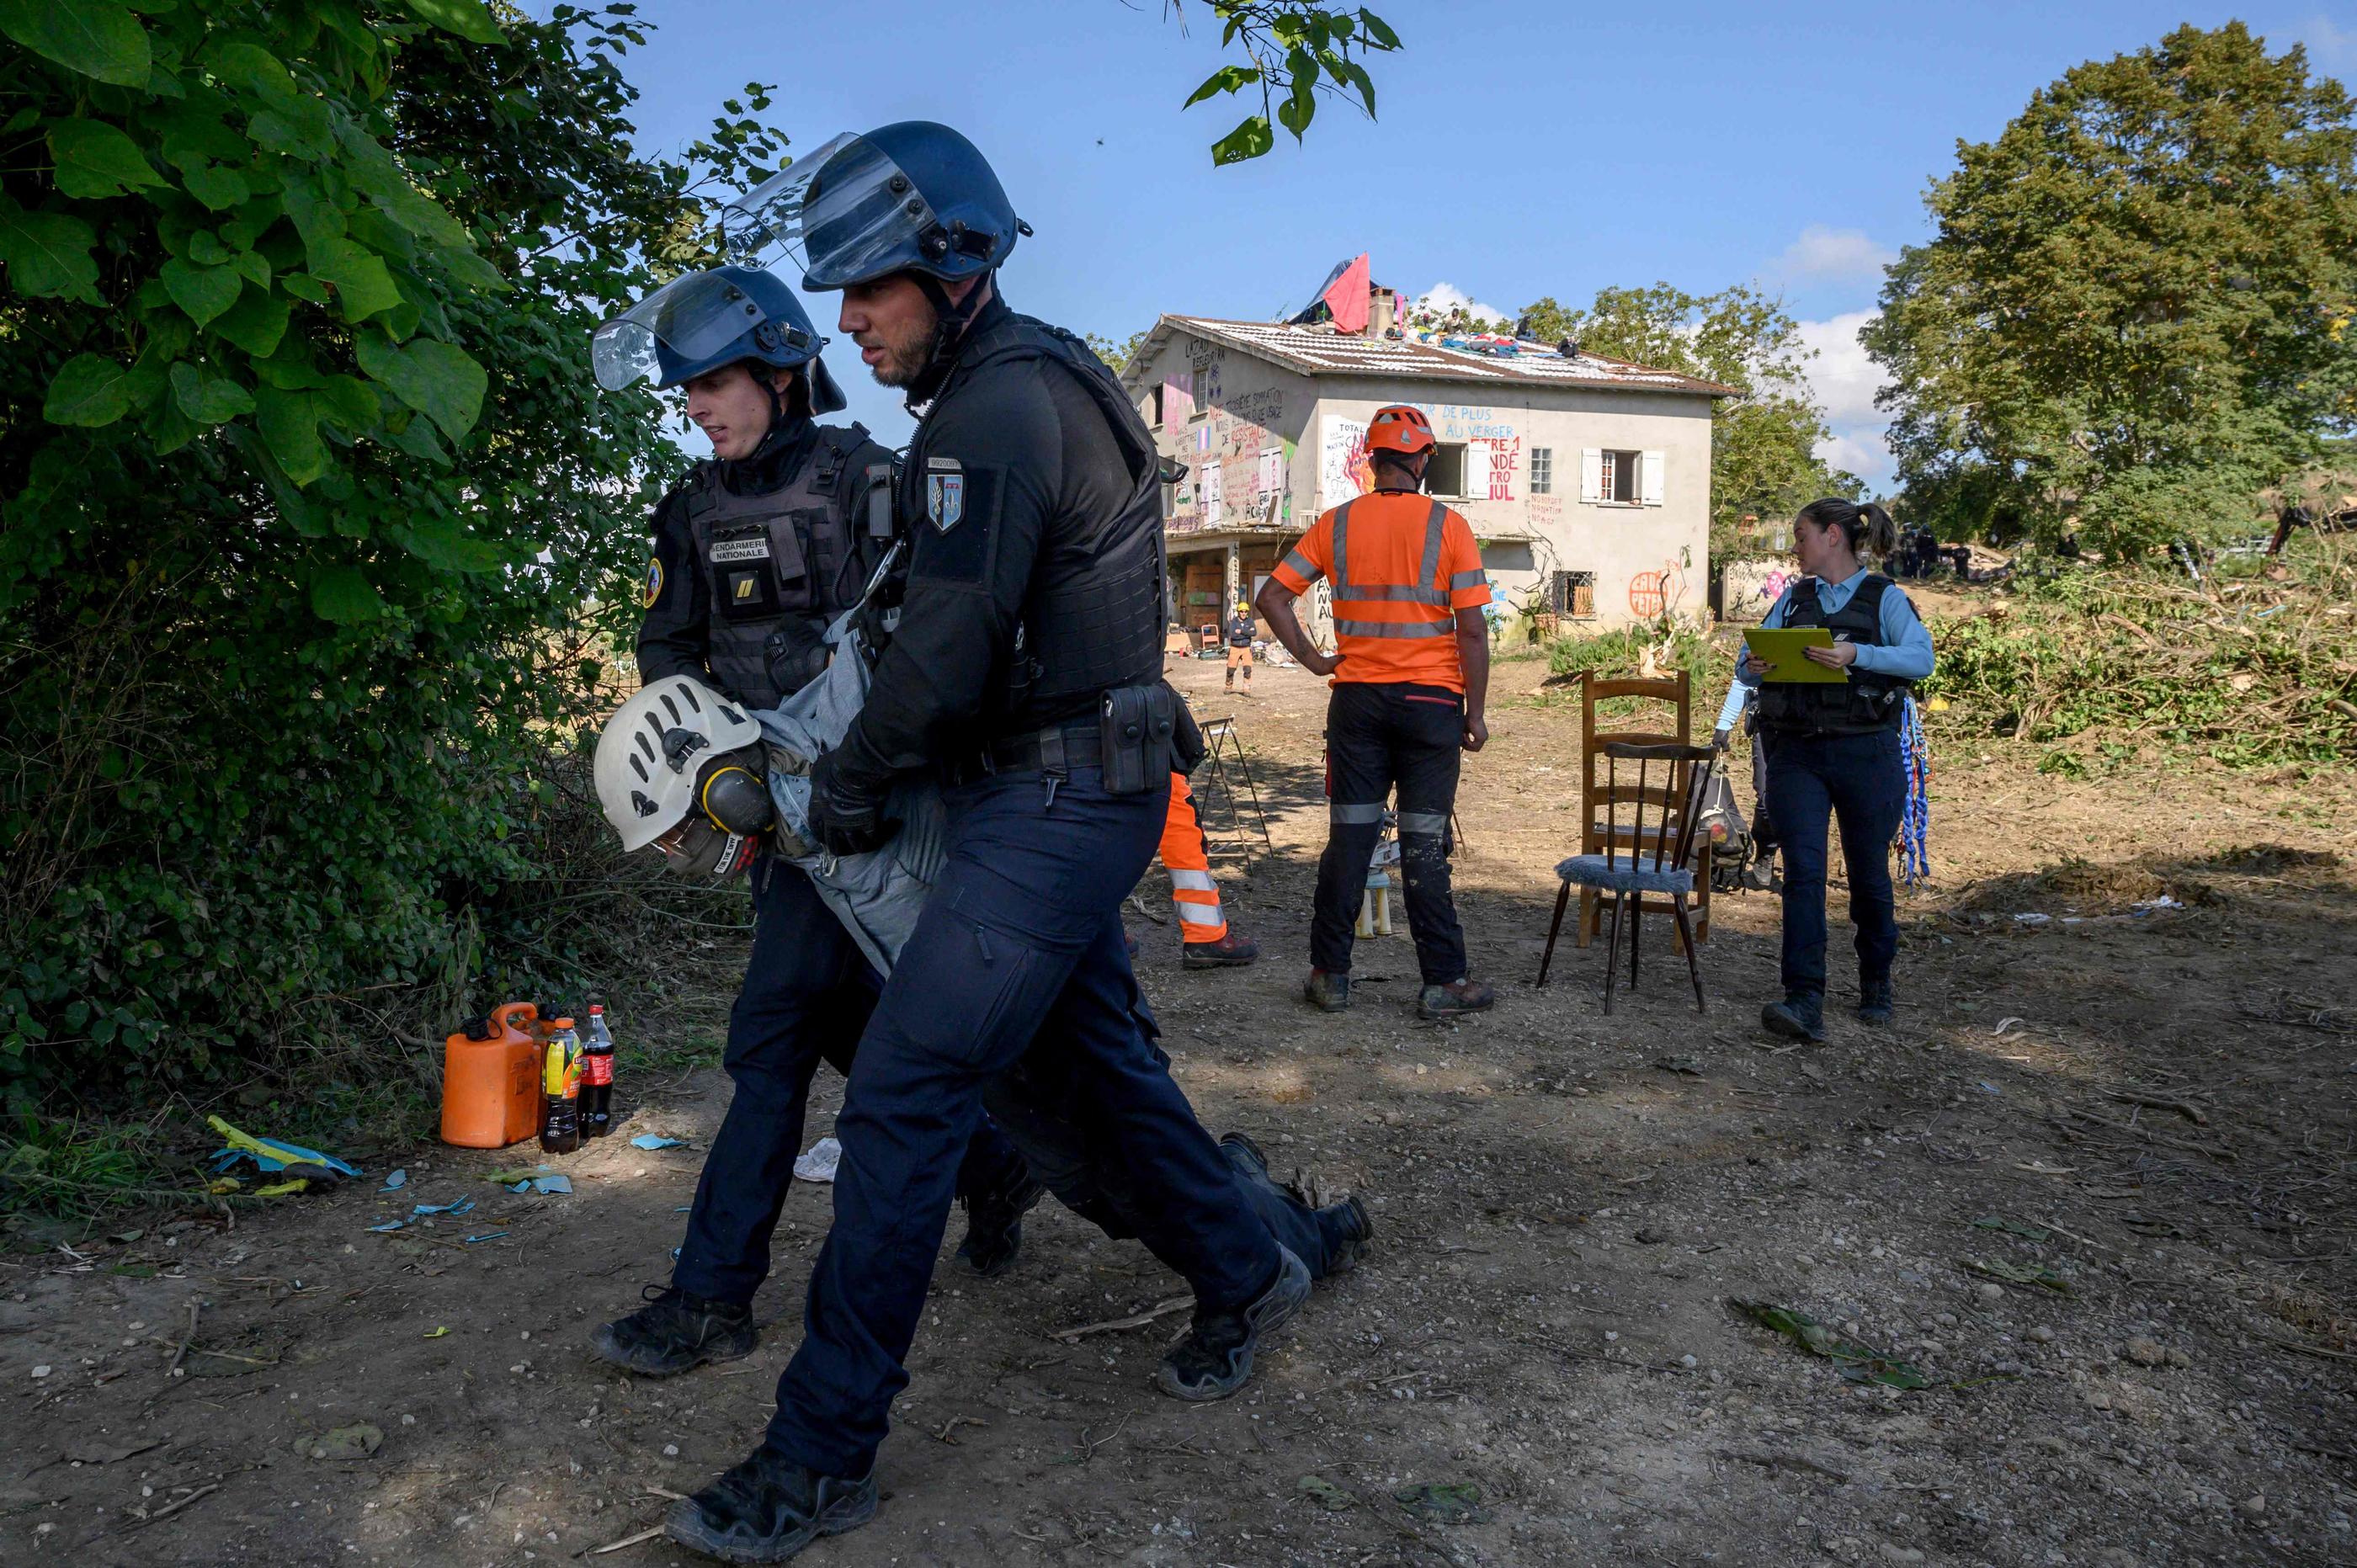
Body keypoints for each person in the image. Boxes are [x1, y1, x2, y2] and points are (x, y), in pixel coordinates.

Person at [663, 123, 1366, 1562]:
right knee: (1088, 1069)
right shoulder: (1001, 387)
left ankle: (819, 1449)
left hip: (1056, 804)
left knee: (913, 1084)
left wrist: (846, 786)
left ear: (950, 261)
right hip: (1039, 794)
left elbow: (949, 647)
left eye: (867, 289)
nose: (845, 321)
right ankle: (1255, 1261)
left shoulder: (1001, 405)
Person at [583, 267, 1040, 1378]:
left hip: (890, 820)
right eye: (685, 392)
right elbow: (665, 653)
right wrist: (709, 758)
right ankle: (987, 1164)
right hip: (781, 831)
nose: (698, 407)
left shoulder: (875, 479)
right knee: (818, 1038)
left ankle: (716, 1294)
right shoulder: (688, 512)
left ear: (784, 375)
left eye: (715, 383)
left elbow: (950, 636)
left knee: (807, 1038)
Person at [1256, 405, 1497, 1022]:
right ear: (1421, 461)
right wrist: (1476, 712)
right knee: (1422, 845)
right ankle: (1444, 982)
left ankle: (1329, 975)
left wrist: (1313, 658)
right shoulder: (1450, 526)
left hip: (1358, 703)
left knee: (1351, 840)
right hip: (1432, 705)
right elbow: (1471, 628)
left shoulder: (1336, 526)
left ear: (1373, 459)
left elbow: (1273, 596)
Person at [1721, 497, 1935, 1043]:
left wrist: (1855, 655)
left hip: (1867, 753)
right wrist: (1754, 664)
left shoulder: (1884, 597)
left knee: (1867, 876)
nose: (1795, 547)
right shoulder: (1793, 600)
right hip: (1796, 753)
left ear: (1833, 536)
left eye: (1801, 535)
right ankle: (1803, 997)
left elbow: (1920, 658)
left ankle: (1876, 984)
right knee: (1804, 875)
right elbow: (1746, 663)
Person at [1223, 600, 1257, 694]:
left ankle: (1246, 689)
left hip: (1246, 648)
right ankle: (1228, 686)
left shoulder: (1250, 621)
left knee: (1248, 669)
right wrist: (1247, 632)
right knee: (1231, 669)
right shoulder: (1233, 622)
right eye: (1242, 611)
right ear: (1239, 612)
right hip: (1235, 648)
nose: (1244, 613)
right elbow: (1233, 635)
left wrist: (1241, 631)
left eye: (1245, 611)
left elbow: (1254, 633)